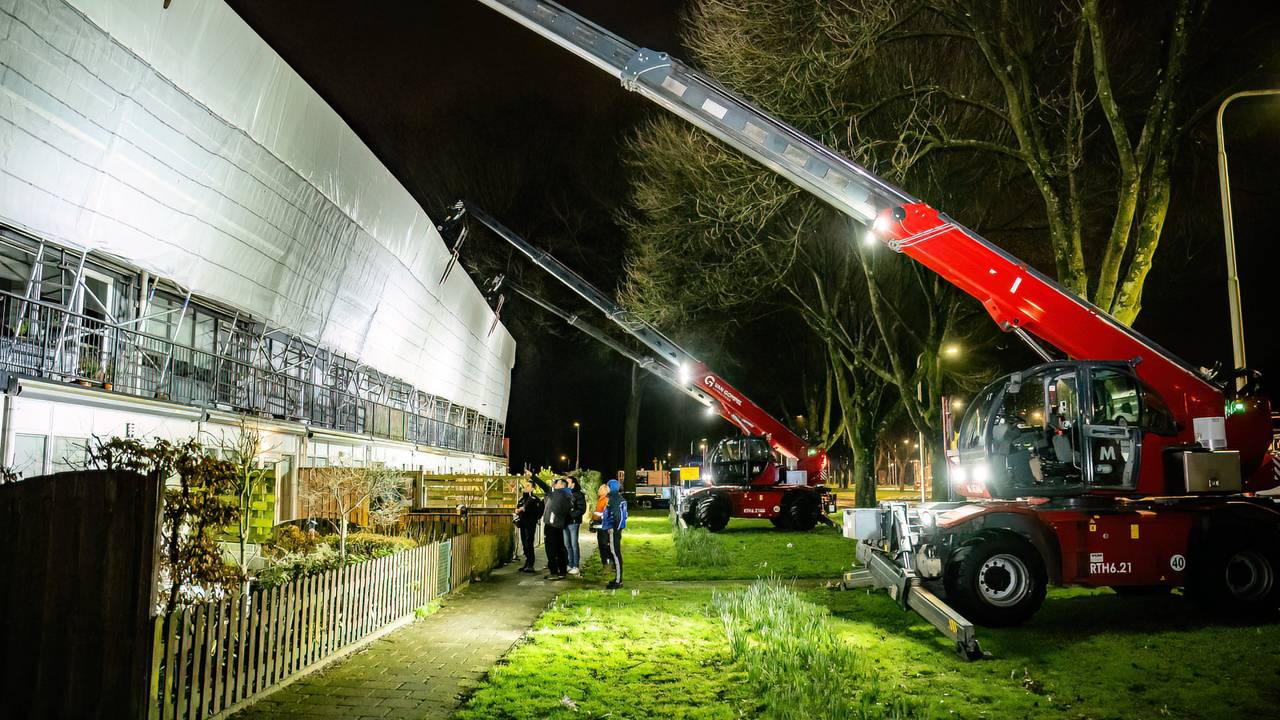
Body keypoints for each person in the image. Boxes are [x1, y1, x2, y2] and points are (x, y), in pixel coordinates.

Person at [542, 477, 571, 580]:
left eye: (556, 483)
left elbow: (544, 486)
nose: (554, 484)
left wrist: (532, 476)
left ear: (562, 486)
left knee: (551, 549)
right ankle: (562, 571)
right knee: (559, 548)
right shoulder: (567, 495)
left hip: (551, 525)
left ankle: (554, 572)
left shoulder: (558, 494)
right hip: (558, 525)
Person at [600, 478, 628, 589]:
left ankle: (618, 581)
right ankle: (617, 579)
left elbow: (617, 516)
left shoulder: (613, 499)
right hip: (616, 529)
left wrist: (615, 529)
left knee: (616, 554)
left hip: (614, 530)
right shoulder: (619, 498)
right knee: (615, 553)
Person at [514, 478, 544, 573]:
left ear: (532, 489)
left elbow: (534, 510)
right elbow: (518, 507)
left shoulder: (534, 499)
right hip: (522, 523)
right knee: (524, 543)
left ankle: (531, 564)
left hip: (530, 524)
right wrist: (518, 510)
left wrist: (523, 509)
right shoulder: (522, 498)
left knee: (529, 543)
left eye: (528, 486)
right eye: (525, 486)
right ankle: (527, 562)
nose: (525, 488)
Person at [564, 476, 586, 575]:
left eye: (567, 482)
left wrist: (571, 515)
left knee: (573, 544)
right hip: (565, 522)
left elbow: (582, 509)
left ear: (573, 484)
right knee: (567, 544)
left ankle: (576, 565)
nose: (566, 484)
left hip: (573, 522)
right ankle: (569, 563)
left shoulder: (578, 494)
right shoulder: (564, 493)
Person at [590, 482, 611, 568]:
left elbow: (599, 514)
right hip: (603, 526)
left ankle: (606, 564)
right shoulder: (603, 499)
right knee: (605, 545)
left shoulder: (603, 500)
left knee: (603, 545)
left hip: (602, 526)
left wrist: (594, 517)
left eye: (601, 489)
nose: (599, 491)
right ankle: (608, 564)